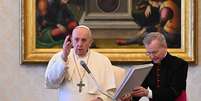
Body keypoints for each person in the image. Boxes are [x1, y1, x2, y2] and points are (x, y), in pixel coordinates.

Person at [45, 25, 116, 101]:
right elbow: (52, 82)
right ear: (71, 40)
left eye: (84, 40)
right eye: (76, 39)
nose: (80, 44)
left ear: (90, 42)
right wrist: (64, 57)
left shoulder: (103, 60)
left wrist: (101, 99)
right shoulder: (60, 57)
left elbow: (110, 91)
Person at [121, 32, 188, 101]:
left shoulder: (180, 64)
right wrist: (130, 98)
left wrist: (148, 93)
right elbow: (140, 90)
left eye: (154, 52)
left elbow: (174, 92)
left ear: (165, 47)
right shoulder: (146, 66)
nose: (152, 56)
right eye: (149, 53)